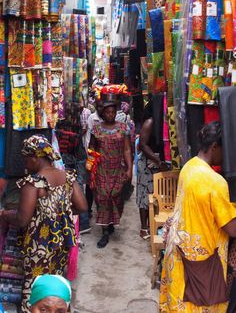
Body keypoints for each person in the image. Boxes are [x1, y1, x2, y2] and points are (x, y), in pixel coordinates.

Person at [0, 135, 87, 312]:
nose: (25, 165)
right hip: (59, 244)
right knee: (53, 286)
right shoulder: (67, 177)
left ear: (35, 157)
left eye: (26, 159)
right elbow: (82, 206)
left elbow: (23, 220)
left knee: (35, 288)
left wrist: (6, 215)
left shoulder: (33, 183)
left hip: (37, 246)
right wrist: (58, 213)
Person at [160, 121, 236, 312]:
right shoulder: (216, 182)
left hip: (179, 253)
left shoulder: (189, 167)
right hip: (202, 263)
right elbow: (232, 228)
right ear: (214, 146)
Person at [90, 95, 133, 248]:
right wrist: (90, 170)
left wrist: (129, 168)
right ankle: (105, 232)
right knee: (103, 198)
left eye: (112, 112)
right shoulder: (96, 129)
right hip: (101, 169)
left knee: (116, 197)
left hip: (117, 168)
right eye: (107, 112)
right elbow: (92, 149)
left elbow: (127, 149)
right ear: (103, 113)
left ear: (116, 112)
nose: (110, 115)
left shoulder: (123, 127)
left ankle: (111, 221)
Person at [137, 99, 167, 239]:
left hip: (157, 162)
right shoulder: (150, 122)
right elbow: (143, 145)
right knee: (144, 195)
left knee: (156, 195)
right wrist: (158, 161)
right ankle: (144, 228)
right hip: (148, 162)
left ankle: (153, 224)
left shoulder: (162, 122)